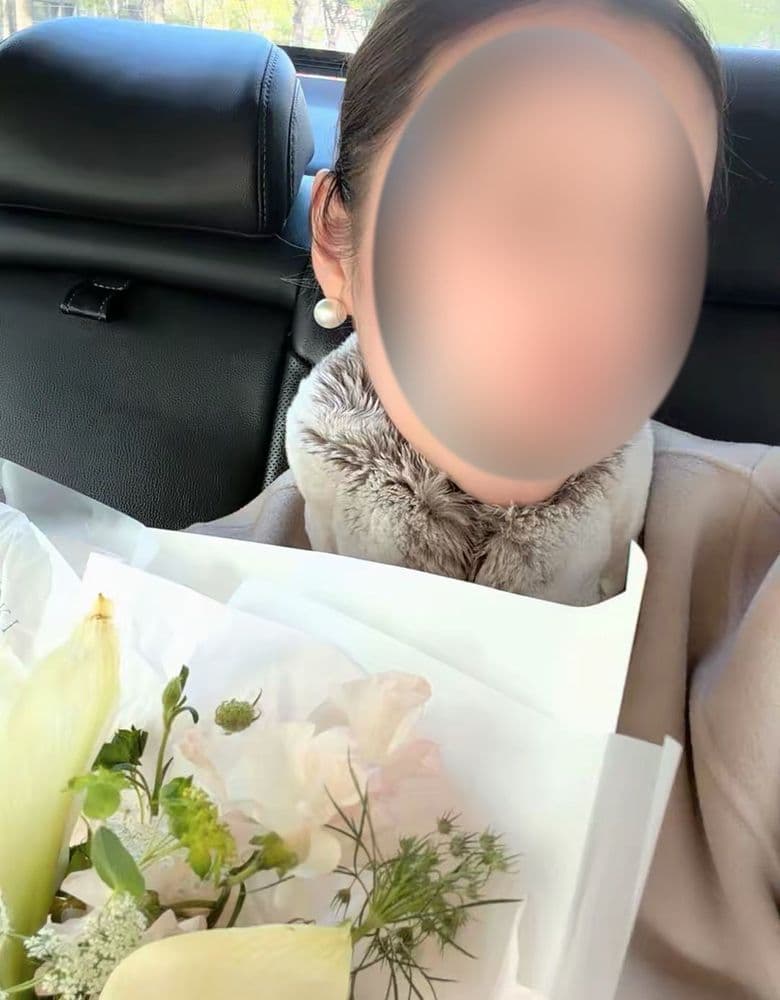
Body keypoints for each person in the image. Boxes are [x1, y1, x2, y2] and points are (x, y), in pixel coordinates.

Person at [191, 2, 780, 997]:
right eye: (522, 206)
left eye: (652, 231)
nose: (598, 291)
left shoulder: (758, 575)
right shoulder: (160, 620)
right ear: (338, 238)